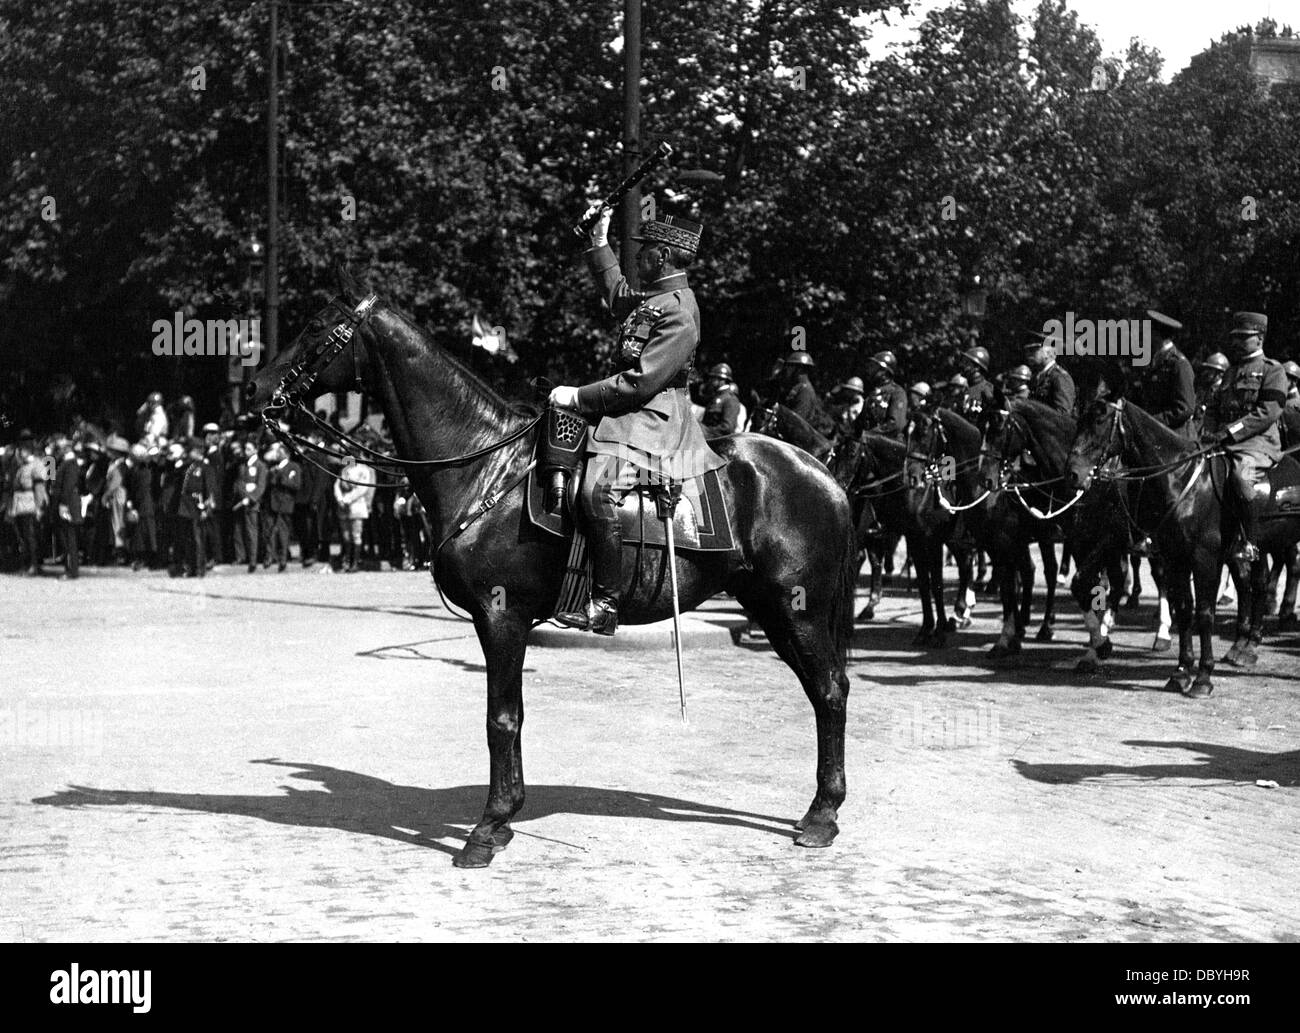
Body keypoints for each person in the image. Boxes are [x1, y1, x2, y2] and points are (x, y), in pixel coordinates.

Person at [546, 206, 725, 634]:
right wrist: (599, 240)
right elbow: (615, 295)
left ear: (661, 256)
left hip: (655, 423)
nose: (639, 257)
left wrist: (578, 395)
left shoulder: (680, 311)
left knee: (595, 492)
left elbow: (641, 384)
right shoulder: (654, 300)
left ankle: (605, 603)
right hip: (627, 418)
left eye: (644, 252)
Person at [1203, 311, 1285, 564]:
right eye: (1235, 338)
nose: (1237, 343)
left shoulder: (1273, 370)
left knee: (1241, 476)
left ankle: (1250, 542)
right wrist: (1208, 432)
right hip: (1224, 443)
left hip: (1258, 445)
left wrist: (1229, 432)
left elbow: (1267, 413)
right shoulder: (1230, 372)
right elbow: (1214, 408)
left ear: (1259, 338)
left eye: (1244, 337)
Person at [1129, 310, 1196, 438]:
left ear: (1156, 335)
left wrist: (1150, 421)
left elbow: (1185, 408)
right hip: (1154, 434)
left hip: (1176, 440)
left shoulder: (1179, 364)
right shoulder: (1154, 360)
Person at [6, 432, 48, 575]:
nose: (20, 450)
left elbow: (39, 487)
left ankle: (34, 565)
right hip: (20, 504)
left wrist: (39, 507)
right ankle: (27, 564)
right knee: (23, 537)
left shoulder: (36, 464)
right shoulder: (21, 465)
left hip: (29, 504)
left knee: (30, 536)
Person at [177, 437, 217, 577]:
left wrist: (207, 508)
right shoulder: (189, 466)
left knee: (197, 539)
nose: (188, 453)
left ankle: (199, 568)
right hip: (186, 507)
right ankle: (190, 567)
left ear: (197, 451)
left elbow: (210, 490)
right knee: (188, 539)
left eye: (191, 450)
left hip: (197, 506)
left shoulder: (205, 467)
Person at [333, 452, 375, 573]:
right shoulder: (345, 469)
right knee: (346, 535)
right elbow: (337, 484)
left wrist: (348, 499)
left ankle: (355, 562)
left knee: (356, 535)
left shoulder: (363, 470)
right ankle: (347, 560)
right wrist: (340, 499)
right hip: (343, 506)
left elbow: (362, 488)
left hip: (356, 505)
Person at [230, 439, 268, 572]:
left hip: (252, 504)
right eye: (245, 449)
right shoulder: (242, 465)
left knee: (251, 532)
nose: (245, 452)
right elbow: (239, 483)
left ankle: (253, 560)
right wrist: (242, 494)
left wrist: (251, 498)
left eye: (248, 449)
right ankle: (240, 556)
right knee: (238, 530)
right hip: (240, 502)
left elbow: (261, 486)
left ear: (255, 450)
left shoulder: (260, 466)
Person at [779, 351, 836, 436]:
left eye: (790, 366)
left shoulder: (805, 391)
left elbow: (796, 420)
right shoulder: (796, 386)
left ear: (799, 369)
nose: (787, 370)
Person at [264, 442, 301, 571]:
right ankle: (270, 556)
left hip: (285, 503)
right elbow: (270, 484)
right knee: (270, 531)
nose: (277, 455)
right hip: (272, 503)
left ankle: (283, 558)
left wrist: (281, 476)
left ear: (286, 454)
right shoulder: (274, 467)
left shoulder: (293, 467)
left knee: (283, 533)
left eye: (280, 453)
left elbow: (295, 485)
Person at [50, 437, 83, 579]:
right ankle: (69, 568)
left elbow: (68, 486)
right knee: (65, 537)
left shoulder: (71, 464)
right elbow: (50, 478)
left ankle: (71, 570)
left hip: (68, 504)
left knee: (69, 538)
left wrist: (63, 504)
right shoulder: (63, 462)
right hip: (63, 503)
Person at [859, 351, 907, 439]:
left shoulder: (897, 393)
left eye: (874, 367)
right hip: (866, 443)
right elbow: (860, 423)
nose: (870, 370)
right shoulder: (872, 393)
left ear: (884, 371)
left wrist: (870, 434)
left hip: (886, 445)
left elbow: (895, 424)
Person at [1024, 336, 1075, 416]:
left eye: (1033, 350)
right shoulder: (1036, 375)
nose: (1028, 354)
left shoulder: (1060, 377)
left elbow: (1062, 415)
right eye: (1027, 351)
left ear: (1048, 353)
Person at [125, 443, 157, 570]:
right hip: (141, 505)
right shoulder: (138, 471)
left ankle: (145, 559)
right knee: (140, 535)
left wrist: (135, 506)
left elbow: (142, 491)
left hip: (144, 506)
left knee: (144, 535)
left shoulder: (143, 472)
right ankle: (142, 558)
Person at [701, 363, 742, 438]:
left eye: (713, 378)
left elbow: (727, 428)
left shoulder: (731, 399)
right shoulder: (717, 396)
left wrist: (705, 431)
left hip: (714, 441)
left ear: (721, 380)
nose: (710, 381)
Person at [959, 345, 996, 427]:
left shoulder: (987, 390)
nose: (962, 365)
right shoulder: (962, 387)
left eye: (966, 363)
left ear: (977, 367)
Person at [1193, 352, 1230, 431]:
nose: (1205, 373)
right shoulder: (1203, 388)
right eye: (1206, 369)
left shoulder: (1224, 392)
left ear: (1220, 374)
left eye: (1210, 370)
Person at [826, 376, 866, 442]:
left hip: (848, 436)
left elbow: (848, 419)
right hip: (838, 431)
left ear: (857, 392)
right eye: (848, 390)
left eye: (852, 391)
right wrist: (831, 395)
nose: (848, 392)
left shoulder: (859, 403)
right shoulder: (848, 400)